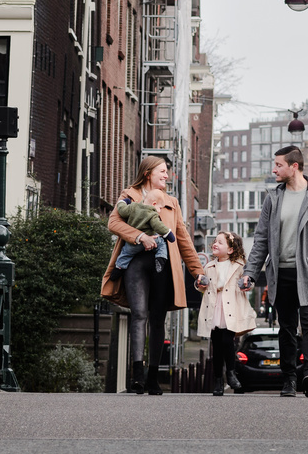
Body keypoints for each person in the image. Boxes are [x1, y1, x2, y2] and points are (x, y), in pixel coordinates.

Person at [101, 155, 204, 395]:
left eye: (167, 172)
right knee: (138, 315)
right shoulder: (129, 195)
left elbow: (183, 240)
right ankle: (137, 375)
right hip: (136, 262)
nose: (167, 176)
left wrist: (197, 271)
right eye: (162, 172)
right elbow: (113, 223)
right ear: (148, 173)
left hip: (164, 266)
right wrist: (141, 237)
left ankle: (152, 378)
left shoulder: (172, 202)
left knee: (158, 319)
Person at [243, 145, 308, 398]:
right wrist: (250, 273)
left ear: (294, 166)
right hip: (281, 273)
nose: (273, 169)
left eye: (278, 165)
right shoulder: (273, 198)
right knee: (286, 328)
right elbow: (261, 239)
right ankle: (288, 380)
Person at [195, 231, 256, 396]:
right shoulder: (209, 266)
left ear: (230, 250)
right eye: (215, 242)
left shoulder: (239, 265)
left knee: (227, 340)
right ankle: (218, 381)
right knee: (217, 345)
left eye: (220, 243)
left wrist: (246, 284)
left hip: (231, 308)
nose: (215, 244)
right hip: (215, 307)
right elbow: (202, 286)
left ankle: (230, 373)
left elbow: (247, 283)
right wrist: (199, 282)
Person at [107, 195, 176, 280]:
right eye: (160, 208)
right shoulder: (152, 214)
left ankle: (118, 269)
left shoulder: (133, 206)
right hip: (152, 239)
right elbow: (159, 226)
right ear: (154, 204)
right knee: (162, 245)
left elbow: (122, 210)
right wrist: (169, 234)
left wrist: (123, 202)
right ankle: (160, 259)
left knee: (125, 254)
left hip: (133, 242)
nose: (160, 210)